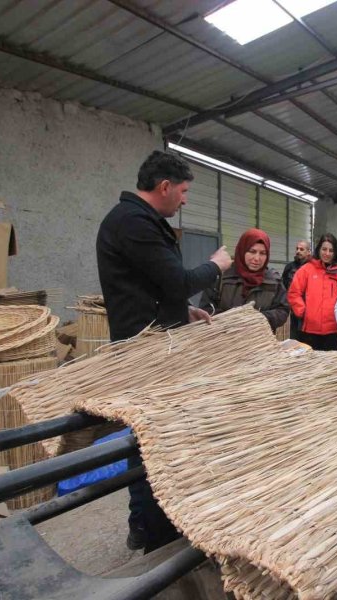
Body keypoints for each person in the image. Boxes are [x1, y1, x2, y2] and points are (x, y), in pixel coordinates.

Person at [96, 150, 232, 553]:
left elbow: (152, 286)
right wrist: (216, 265)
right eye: (184, 191)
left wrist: (179, 311)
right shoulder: (133, 222)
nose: (185, 200)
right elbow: (178, 279)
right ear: (165, 187)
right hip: (144, 355)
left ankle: (152, 522)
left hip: (156, 342)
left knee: (157, 439)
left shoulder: (138, 221)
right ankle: (151, 530)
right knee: (151, 442)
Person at [200, 228, 289, 332]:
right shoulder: (222, 276)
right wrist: (232, 321)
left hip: (261, 342)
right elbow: (206, 308)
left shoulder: (274, 280)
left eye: (262, 253)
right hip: (225, 340)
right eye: (252, 251)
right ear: (242, 250)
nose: (257, 258)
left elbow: (282, 310)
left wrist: (258, 319)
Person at [287, 233, 337, 350]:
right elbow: (294, 293)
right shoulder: (306, 270)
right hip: (309, 331)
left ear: (335, 253)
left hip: (332, 332)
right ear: (319, 249)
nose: (327, 253)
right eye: (324, 249)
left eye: (331, 250)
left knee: (330, 366)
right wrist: (302, 312)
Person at [283, 239, 311, 339]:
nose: (298, 251)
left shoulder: (312, 268)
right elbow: (284, 286)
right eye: (297, 249)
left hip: (309, 312)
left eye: (302, 249)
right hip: (294, 312)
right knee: (295, 339)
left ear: (308, 252)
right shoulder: (289, 267)